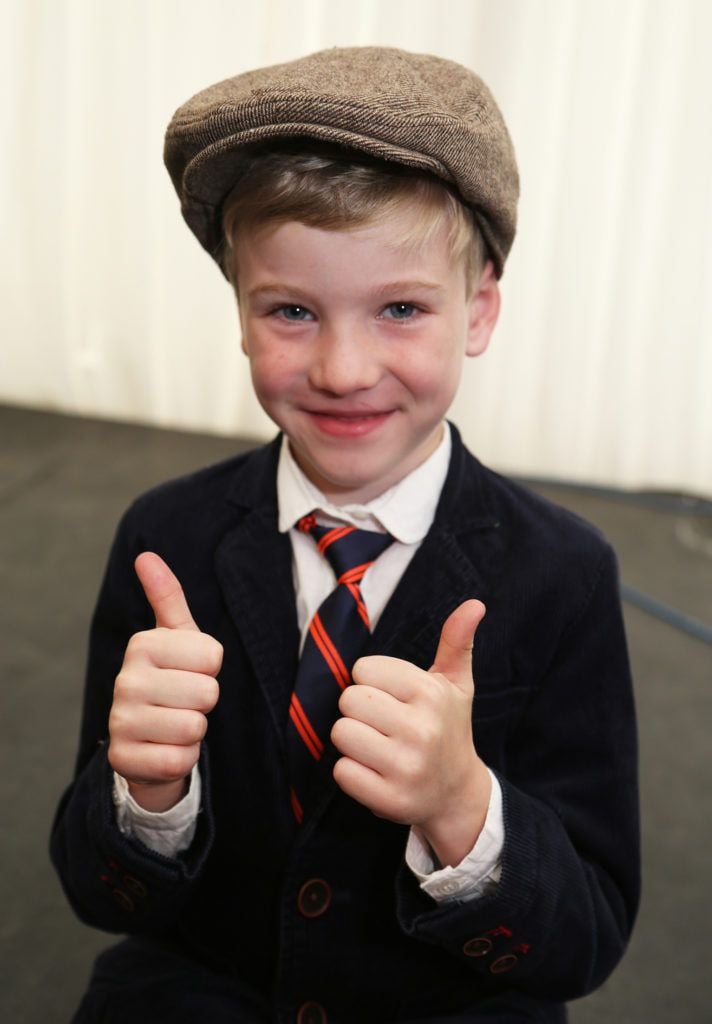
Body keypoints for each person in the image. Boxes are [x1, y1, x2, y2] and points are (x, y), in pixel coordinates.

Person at [51, 46, 640, 1024]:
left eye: (401, 308)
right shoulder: (166, 539)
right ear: (239, 314)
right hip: (205, 985)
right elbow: (94, 891)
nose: (342, 367)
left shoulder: (565, 573)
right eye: (292, 310)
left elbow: (584, 934)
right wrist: (146, 797)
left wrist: (462, 806)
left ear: (479, 310)